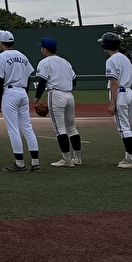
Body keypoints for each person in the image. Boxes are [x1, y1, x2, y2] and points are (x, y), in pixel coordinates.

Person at [0, 30, 40, 173]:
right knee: (27, 127)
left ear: (1, 43)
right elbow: (28, 77)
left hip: (10, 92)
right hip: (22, 92)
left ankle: (20, 164)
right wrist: (24, 95)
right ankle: (35, 163)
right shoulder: (23, 56)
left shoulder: (0, 57)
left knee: (13, 129)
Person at [34, 37, 81, 167]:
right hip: (69, 95)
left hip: (56, 95)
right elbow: (74, 81)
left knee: (59, 129)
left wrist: (36, 99)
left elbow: (42, 82)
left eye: (41, 48)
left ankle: (66, 159)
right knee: (71, 127)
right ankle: (77, 158)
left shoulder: (44, 62)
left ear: (45, 49)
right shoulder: (65, 62)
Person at [98, 31, 132, 169]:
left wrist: (112, 103)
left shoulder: (111, 60)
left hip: (120, 94)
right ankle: (129, 157)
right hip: (129, 93)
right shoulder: (125, 58)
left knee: (123, 128)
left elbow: (114, 82)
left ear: (105, 45)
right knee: (126, 126)